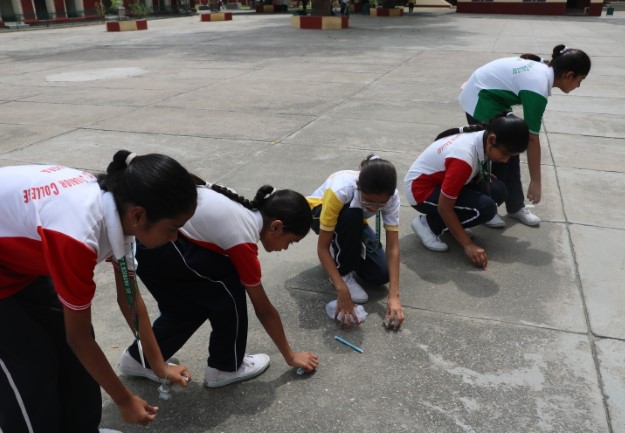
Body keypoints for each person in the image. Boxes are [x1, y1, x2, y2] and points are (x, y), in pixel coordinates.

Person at [0, 151, 197, 433]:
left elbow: (129, 299)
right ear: (138, 215)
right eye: (172, 228)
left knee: (74, 354)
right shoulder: (78, 235)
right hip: (11, 261)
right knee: (30, 365)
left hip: (15, 260)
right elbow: (77, 337)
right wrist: (124, 399)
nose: (175, 237)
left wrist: (159, 365)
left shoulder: (120, 210)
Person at [118, 183, 319, 388]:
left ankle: (140, 359)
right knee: (226, 288)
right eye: (290, 241)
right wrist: (290, 356)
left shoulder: (241, 208)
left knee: (190, 305)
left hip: (145, 239)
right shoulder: (242, 238)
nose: (285, 248)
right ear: (276, 226)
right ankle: (226, 367)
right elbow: (264, 309)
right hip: (155, 240)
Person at [459, 44, 591, 228]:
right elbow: (532, 139)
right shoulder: (538, 86)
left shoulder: (543, 71)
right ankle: (487, 208)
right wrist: (536, 182)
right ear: (569, 75)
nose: (578, 85)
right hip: (480, 98)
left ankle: (515, 206)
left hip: (492, 96)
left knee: (512, 147)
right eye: (580, 80)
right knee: (499, 154)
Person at [405, 115, 529, 269]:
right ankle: (428, 225)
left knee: (497, 190)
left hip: (440, 182)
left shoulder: (482, 137)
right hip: (420, 191)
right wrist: (468, 244)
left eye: (511, 156)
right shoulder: (463, 159)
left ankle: (450, 226)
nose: (505, 160)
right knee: (485, 209)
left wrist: (478, 175)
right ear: (492, 139)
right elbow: (445, 207)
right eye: (505, 153)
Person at [307, 155, 405, 329]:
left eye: (381, 204)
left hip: (355, 222)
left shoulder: (392, 197)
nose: (374, 208)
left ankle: (343, 249)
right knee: (352, 213)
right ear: (359, 187)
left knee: (381, 275)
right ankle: (343, 270)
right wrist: (341, 287)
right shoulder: (341, 190)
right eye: (369, 201)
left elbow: (393, 246)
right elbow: (322, 248)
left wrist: (394, 296)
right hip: (319, 213)